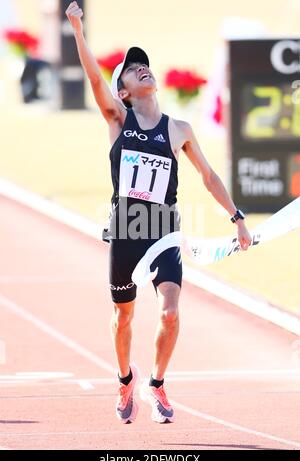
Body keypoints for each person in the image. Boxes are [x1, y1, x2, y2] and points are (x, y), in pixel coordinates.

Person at [66, 1, 252, 424]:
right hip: (126, 231)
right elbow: (95, 77)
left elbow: (207, 177)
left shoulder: (179, 130)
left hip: (165, 230)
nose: (142, 69)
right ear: (124, 91)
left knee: (170, 311)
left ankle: (157, 384)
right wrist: (78, 28)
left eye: (145, 65)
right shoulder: (118, 119)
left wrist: (237, 218)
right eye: (133, 69)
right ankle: (125, 377)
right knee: (123, 316)